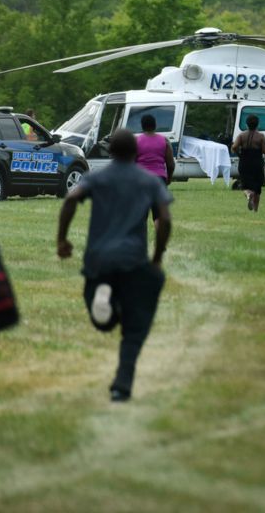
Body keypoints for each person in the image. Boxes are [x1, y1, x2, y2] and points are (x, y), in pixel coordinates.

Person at [57, 129, 173, 403]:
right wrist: (156, 258)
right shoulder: (148, 180)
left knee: (103, 318)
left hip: (98, 260)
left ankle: (106, 307)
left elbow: (72, 198)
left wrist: (62, 240)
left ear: (110, 153)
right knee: (134, 329)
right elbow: (165, 220)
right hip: (133, 261)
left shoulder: (97, 177)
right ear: (136, 153)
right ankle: (122, 385)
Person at [231, 115, 265, 212]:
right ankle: (255, 210)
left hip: (244, 163)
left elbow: (234, 147)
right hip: (257, 163)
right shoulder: (261, 136)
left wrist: (239, 155)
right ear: (257, 124)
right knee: (257, 188)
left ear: (246, 124)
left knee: (245, 185)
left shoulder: (241, 135)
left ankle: (248, 194)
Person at [136, 113, 175, 185]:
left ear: (142, 126)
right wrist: (169, 179)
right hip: (159, 178)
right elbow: (170, 165)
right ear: (155, 125)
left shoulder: (136, 141)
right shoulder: (165, 141)